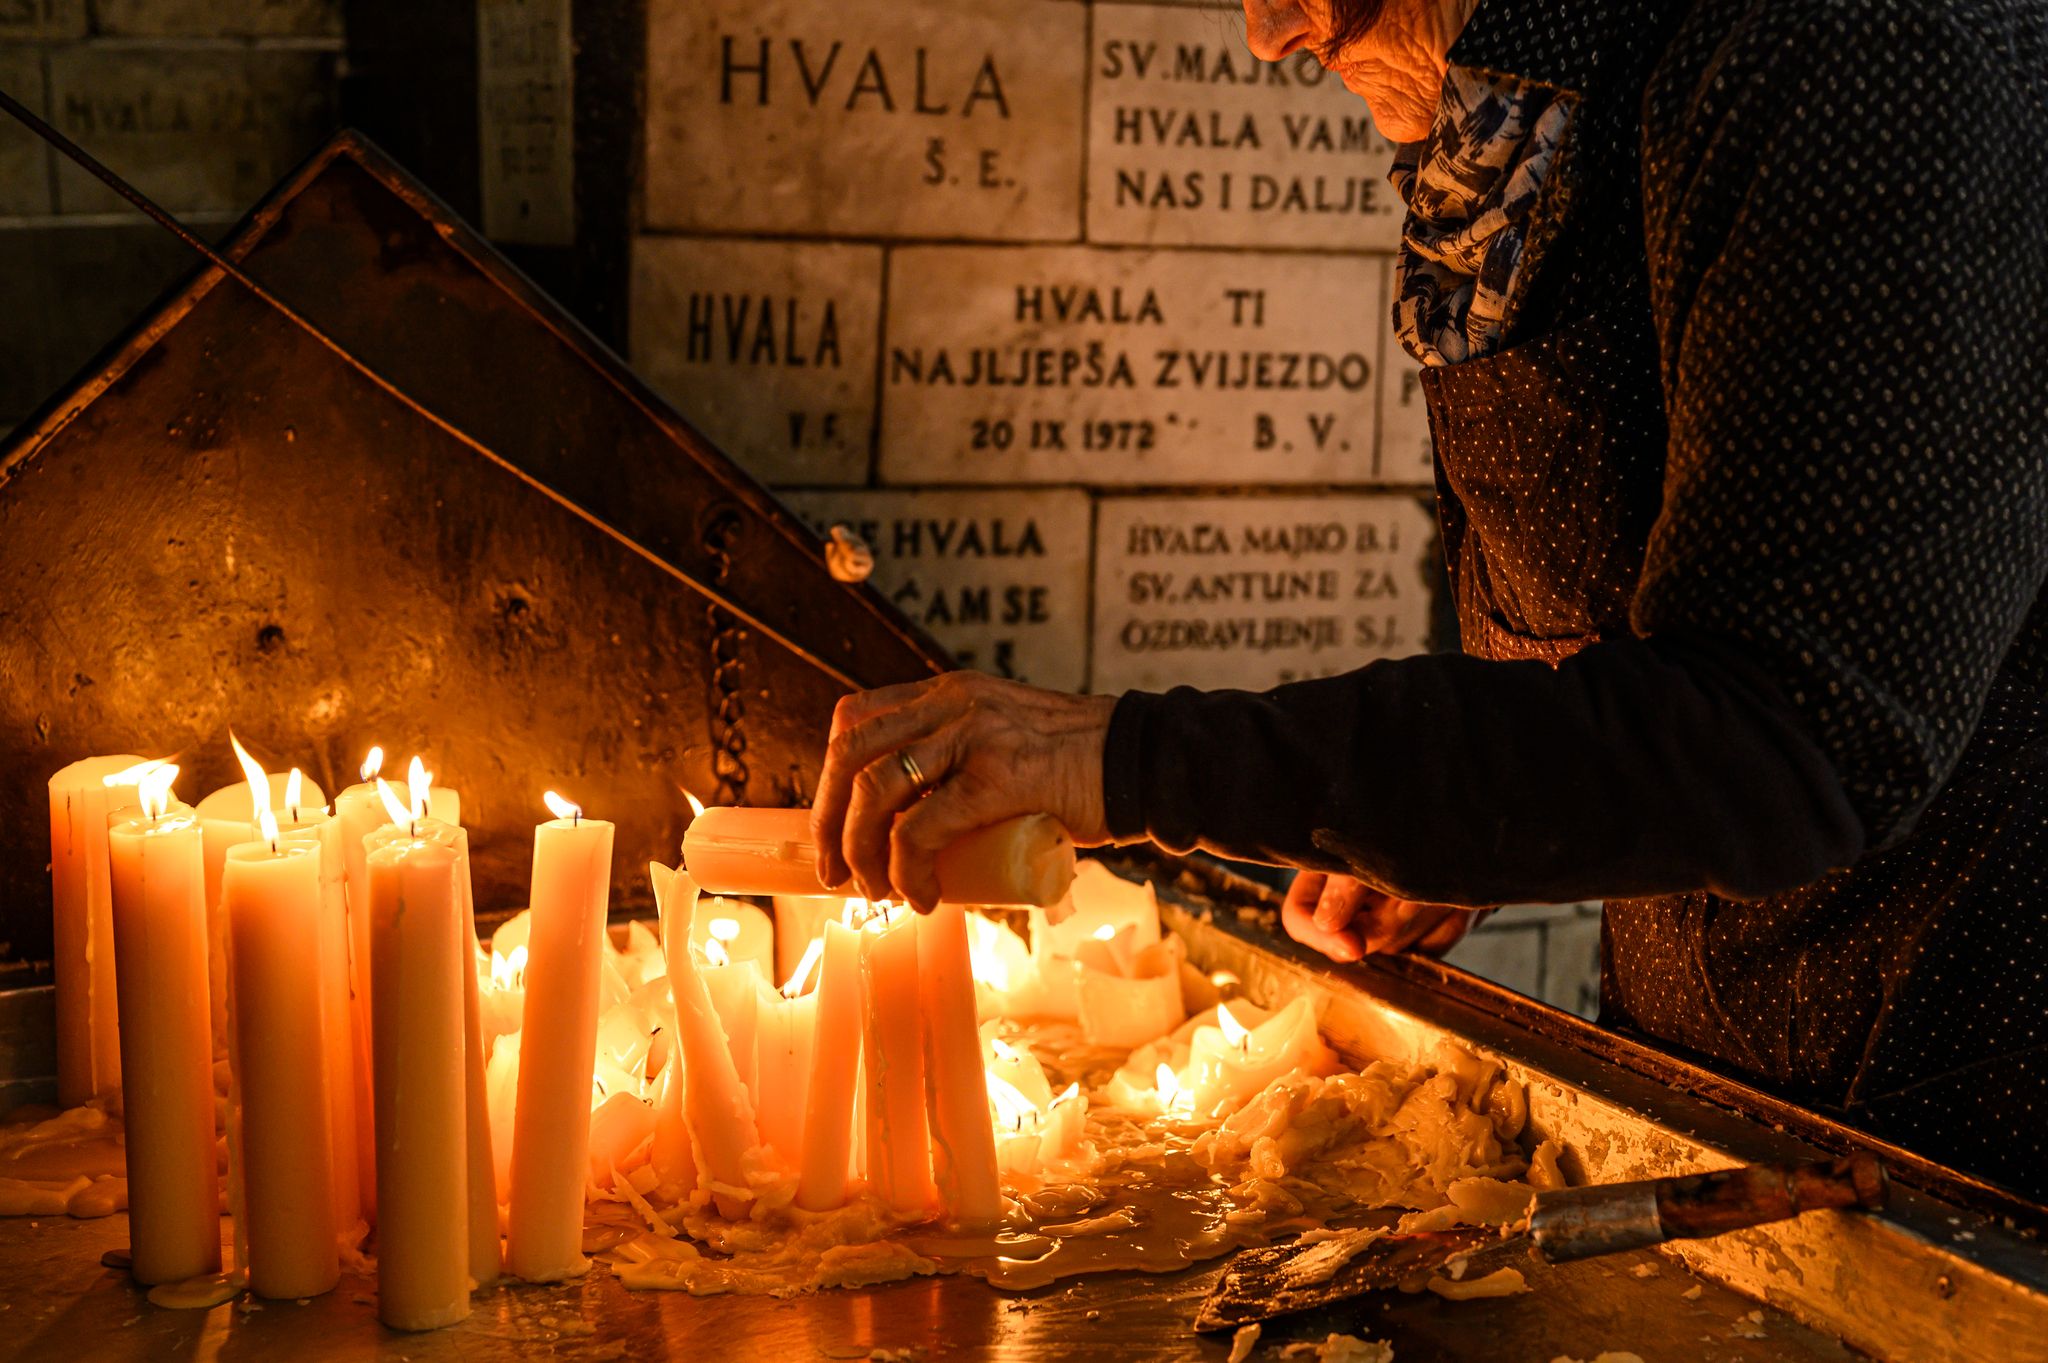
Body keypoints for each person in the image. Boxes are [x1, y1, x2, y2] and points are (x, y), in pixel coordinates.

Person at [809, 0, 2048, 1202]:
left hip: (1961, 1112)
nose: (1271, 31)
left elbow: (1785, 734)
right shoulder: (1533, 108)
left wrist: (1132, 759)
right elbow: (1611, 623)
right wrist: (1449, 823)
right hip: (1712, 1069)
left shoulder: (1858, 49)